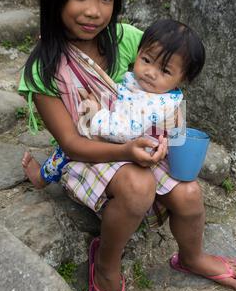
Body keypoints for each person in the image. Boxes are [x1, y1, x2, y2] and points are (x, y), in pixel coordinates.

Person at [18, 0, 236, 291]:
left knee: (190, 193)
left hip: (137, 143)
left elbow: (170, 63)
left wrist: (171, 134)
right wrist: (128, 152)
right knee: (139, 184)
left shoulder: (124, 40)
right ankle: (106, 266)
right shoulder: (44, 69)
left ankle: (191, 256)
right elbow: (74, 142)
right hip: (89, 152)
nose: (94, 11)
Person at [23, 18, 187, 187]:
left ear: (182, 79)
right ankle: (43, 176)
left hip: (124, 143)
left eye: (165, 70)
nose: (150, 73)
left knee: (65, 152)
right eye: (146, 60)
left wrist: (97, 114)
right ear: (139, 52)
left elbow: (124, 132)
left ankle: (42, 177)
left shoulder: (158, 104)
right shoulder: (158, 90)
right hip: (128, 142)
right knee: (70, 146)